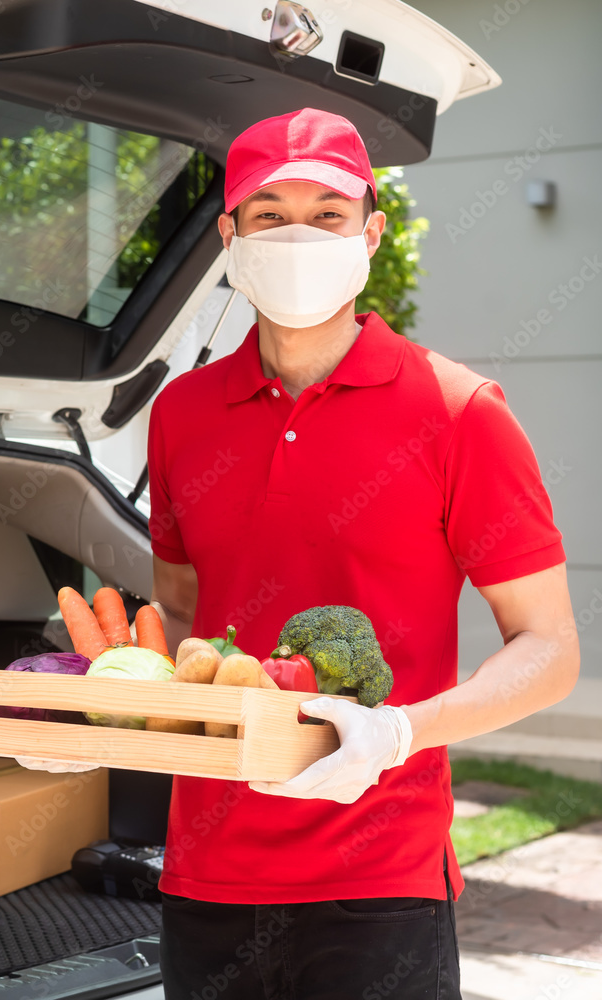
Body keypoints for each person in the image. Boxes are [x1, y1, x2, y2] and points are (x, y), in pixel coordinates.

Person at [143, 108, 579, 1000]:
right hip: (206, 871)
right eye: (268, 214)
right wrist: (100, 711)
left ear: (371, 232)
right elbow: (181, 623)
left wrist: (399, 731)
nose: (297, 234)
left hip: (381, 880)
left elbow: (549, 648)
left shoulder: (460, 413)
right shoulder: (181, 415)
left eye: (327, 212)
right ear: (229, 237)